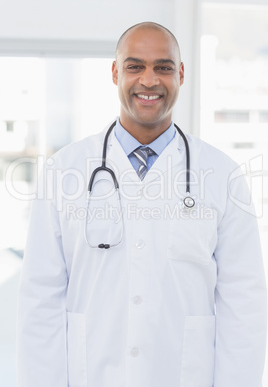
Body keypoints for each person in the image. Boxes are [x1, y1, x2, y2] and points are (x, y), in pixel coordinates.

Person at [17, 22, 267, 387]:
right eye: (135, 66)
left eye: (163, 67)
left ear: (180, 74)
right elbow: (40, 301)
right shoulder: (63, 172)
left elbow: (243, 306)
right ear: (116, 72)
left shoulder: (223, 176)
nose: (149, 80)